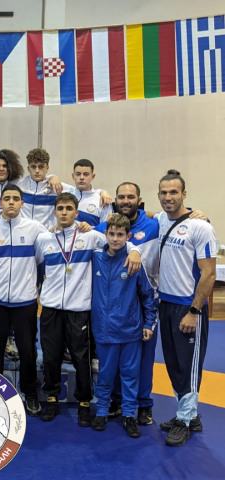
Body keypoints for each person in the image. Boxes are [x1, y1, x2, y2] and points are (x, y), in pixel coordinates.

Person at [35, 193, 141, 426]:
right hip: (50, 308)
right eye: (60, 208)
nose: (64, 212)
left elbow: (118, 240)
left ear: (76, 212)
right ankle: (51, 399)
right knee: (51, 357)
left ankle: (84, 403)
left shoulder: (90, 236)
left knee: (81, 358)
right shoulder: (43, 239)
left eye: (69, 208)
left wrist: (135, 251)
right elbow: (35, 266)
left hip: (79, 309)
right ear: (54, 212)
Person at [156, 170, 216, 447]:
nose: (168, 197)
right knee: (173, 364)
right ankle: (189, 415)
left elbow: (209, 274)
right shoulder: (159, 220)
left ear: (184, 194)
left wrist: (194, 312)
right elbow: (133, 215)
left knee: (189, 366)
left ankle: (184, 420)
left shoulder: (200, 227)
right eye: (164, 192)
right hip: (165, 304)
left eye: (173, 192)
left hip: (188, 307)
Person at [0, 185, 48, 416]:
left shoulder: (35, 229)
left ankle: (30, 392)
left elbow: (41, 258)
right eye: (7, 198)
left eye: (15, 198)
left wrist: (28, 284)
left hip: (25, 301)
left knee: (28, 350)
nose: (11, 202)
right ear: (0, 203)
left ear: (22, 203)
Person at [91, 214, 157, 438]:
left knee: (130, 375)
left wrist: (148, 323)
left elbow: (147, 295)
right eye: (112, 234)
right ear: (105, 234)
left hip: (130, 330)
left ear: (128, 236)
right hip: (104, 330)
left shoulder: (134, 262)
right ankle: (102, 410)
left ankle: (129, 414)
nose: (115, 238)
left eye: (120, 235)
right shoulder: (95, 258)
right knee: (105, 374)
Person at [67, 159, 113, 227]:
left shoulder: (102, 201)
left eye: (86, 174)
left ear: (92, 177)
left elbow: (105, 229)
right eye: (78, 174)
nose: (81, 177)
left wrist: (90, 230)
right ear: (73, 176)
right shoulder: (64, 195)